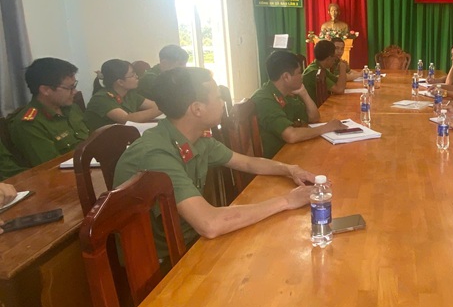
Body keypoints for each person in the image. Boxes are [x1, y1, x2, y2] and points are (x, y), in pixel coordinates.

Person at [113, 67, 317, 259]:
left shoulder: (195, 138)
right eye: (218, 98)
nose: (222, 103)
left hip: (189, 238)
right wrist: (286, 201)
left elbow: (247, 163)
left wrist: (290, 169)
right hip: (162, 262)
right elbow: (210, 223)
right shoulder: (156, 153)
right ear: (197, 109)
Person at [252, 51, 346, 158]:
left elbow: (314, 118)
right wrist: (325, 128)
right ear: (286, 77)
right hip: (275, 158)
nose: (302, 76)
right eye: (299, 73)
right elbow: (291, 135)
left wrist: (304, 93)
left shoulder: (285, 93)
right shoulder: (265, 100)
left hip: (287, 150)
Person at [9, 58, 89, 166]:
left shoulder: (72, 108)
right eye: (70, 88)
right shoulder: (30, 124)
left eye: (74, 86)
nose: (75, 92)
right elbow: (51, 167)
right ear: (45, 90)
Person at [84, 59, 162, 131]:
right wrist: (164, 108)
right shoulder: (101, 98)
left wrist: (162, 107)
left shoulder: (129, 93)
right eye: (132, 75)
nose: (137, 77)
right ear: (120, 82)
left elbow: (155, 106)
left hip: (123, 135)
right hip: (103, 139)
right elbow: (127, 119)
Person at [302, 40, 347, 106]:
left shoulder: (320, 67)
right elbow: (339, 90)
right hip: (312, 109)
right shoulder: (314, 72)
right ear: (329, 58)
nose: (335, 60)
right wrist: (343, 68)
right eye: (334, 57)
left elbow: (338, 81)